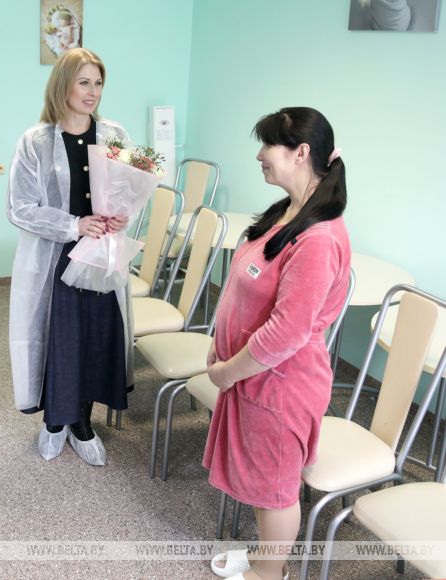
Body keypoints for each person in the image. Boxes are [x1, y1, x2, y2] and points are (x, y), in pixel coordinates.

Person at [204, 107, 350, 580]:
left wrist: (226, 371)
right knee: (262, 479)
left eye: (268, 145)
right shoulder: (288, 213)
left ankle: (269, 573)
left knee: (276, 490)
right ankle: (268, 558)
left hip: (281, 386)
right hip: (254, 376)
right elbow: (246, 287)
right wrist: (219, 345)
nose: (259, 155)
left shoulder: (318, 238)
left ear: (301, 153)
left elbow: (288, 331)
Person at [6, 48, 133, 466]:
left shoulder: (115, 135)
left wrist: (124, 215)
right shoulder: (36, 141)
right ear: (63, 85)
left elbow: (134, 190)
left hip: (102, 255)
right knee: (61, 341)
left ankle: (82, 423)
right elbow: (19, 207)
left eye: (98, 83)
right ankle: (54, 422)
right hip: (57, 257)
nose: (92, 91)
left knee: (96, 339)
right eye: (84, 82)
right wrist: (73, 225)